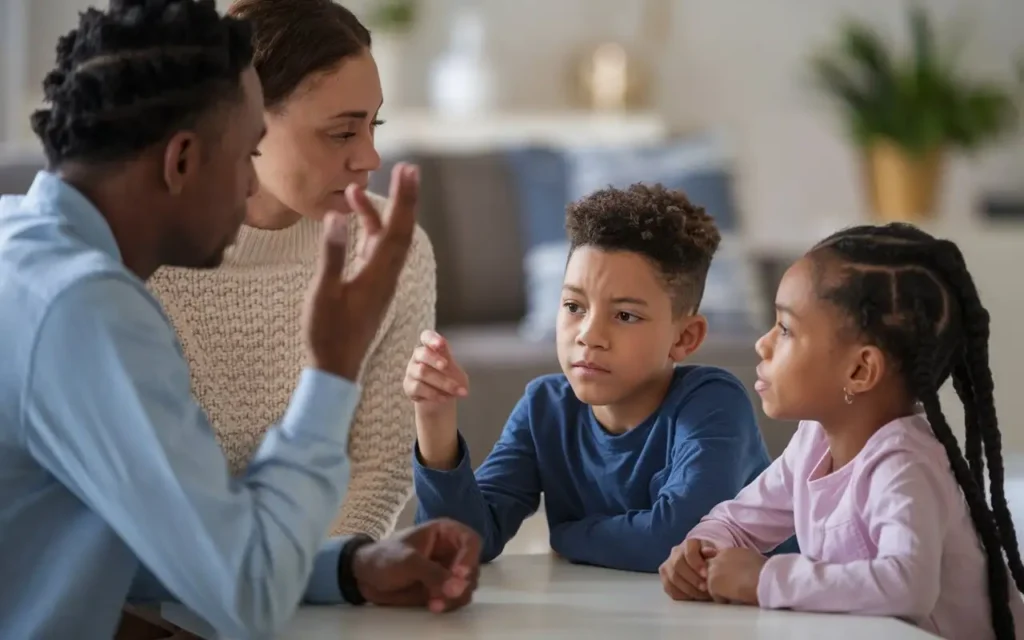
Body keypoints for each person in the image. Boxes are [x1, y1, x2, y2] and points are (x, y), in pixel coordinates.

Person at [0, 2, 478, 639]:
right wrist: (333, 365)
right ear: (182, 161)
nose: (245, 189)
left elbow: (165, 540)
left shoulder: (22, 247)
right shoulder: (88, 310)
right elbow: (248, 589)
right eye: (245, 152)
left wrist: (348, 568)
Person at [146, 0, 435, 540]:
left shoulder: (394, 249)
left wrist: (339, 575)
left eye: (375, 126)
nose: (371, 158)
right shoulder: (149, 259)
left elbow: (381, 465)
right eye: (342, 133)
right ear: (246, 121)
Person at [660, 224, 1024, 639]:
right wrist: (701, 549)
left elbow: (907, 587)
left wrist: (764, 579)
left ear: (859, 370)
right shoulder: (813, 442)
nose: (763, 344)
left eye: (785, 329)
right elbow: (739, 521)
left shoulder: (904, 465)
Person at [404, 184, 776, 573]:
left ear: (684, 338)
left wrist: (566, 534)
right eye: (573, 306)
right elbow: (456, 545)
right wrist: (434, 421)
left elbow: (678, 539)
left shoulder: (713, 403)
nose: (588, 335)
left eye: (625, 315)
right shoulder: (544, 409)